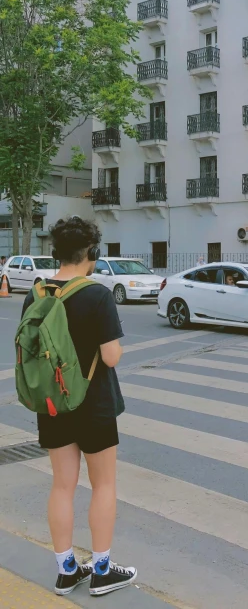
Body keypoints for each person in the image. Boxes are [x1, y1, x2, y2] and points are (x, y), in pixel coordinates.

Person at [21, 217, 136, 597]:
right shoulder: (97, 294)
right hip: (95, 403)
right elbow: (112, 356)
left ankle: (66, 570)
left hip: (53, 403)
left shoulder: (36, 294)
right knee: (103, 485)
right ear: (91, 252)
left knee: (62, 485)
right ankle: (102, 570)